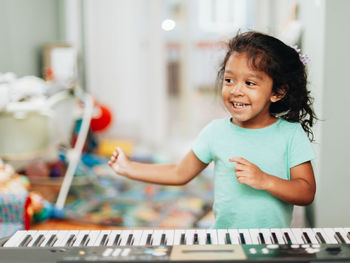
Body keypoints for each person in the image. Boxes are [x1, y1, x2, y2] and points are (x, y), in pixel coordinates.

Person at [109, 31, 317, 229]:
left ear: (277, 92)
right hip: (225, 243)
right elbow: (179, 172)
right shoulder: (215, 132)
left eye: (250, 83)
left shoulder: (290, 134)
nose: (236, 90)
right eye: (229, 80)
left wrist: (265, 180)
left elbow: (306, 192)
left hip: (272, 245)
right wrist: (130, 168)